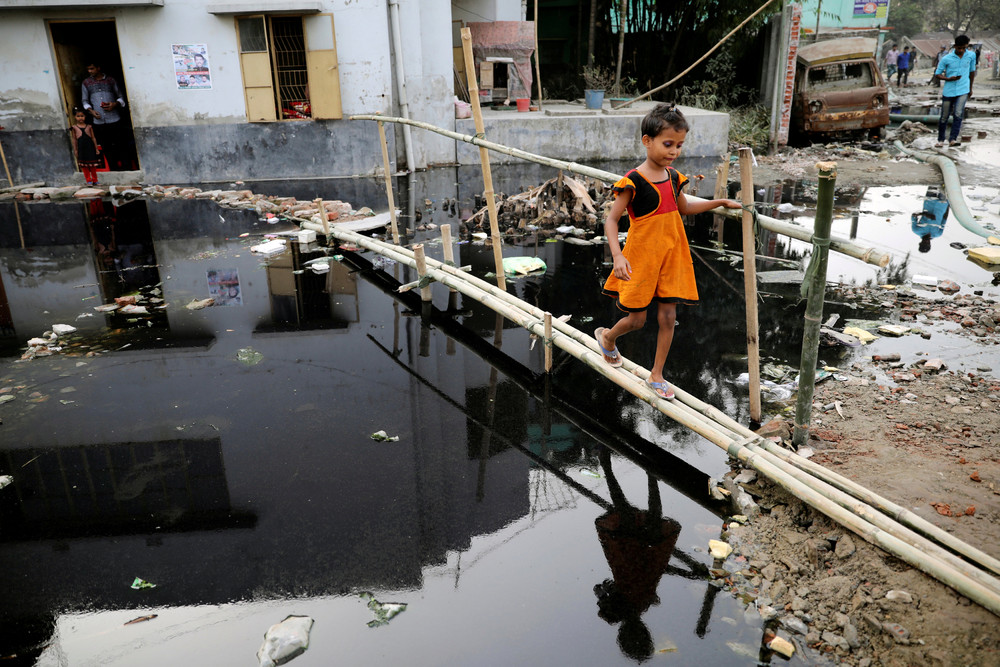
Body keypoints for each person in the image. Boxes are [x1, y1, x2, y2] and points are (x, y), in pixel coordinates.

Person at [595, 104, 741, 400]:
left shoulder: (674, 177)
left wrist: (720, 203)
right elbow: (611, 220)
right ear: (647, 141)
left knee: (667, 318)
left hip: (671, 257)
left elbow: (684, 207)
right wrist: (618, 256)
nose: (674, 151)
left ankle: (657, 374)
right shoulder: (633, 181)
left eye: (679, 145)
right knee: (637, 320)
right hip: (641, 258)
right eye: (667, 144)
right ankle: (608, 337)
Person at [81, 61, 127, 170]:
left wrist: (114, 104)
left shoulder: (110, 80)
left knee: (120, 145)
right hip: (99, 121)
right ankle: (114, 169)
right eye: (88, 69)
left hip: (115, 119)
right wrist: (91, 111)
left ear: (98, 68)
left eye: (92, 68)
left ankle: (126, 168)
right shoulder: (86, 83)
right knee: (106, 147)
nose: (90, 71)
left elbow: (121, 97)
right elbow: (84, 101)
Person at [935, 34, 977, 147]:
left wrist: (970, 89)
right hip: (949, 90)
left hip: (963, 88)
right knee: (944, 115)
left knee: (958, 114)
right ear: (955, 47)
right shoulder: (946, 58)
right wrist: (948, 78)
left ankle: (952, 139)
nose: (962, 50)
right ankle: (941, 139)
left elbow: (972, 72)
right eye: (959, 48)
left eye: (964, 48)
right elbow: (937, 74)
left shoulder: (971, 55)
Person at [69, 107, 102, 185]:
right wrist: (75, 150)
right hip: (81, 149)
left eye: (82, 116)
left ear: (85, 116)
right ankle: (88, 181)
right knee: (84, 166)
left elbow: (93, 138)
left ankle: (95, 180)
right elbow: (74, 139)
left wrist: (96, 148)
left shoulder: (89, 127)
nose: (80, 118)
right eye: (78, 116)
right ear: (75, 117)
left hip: (90, 148)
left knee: (93, 166)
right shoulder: (74, 128)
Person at [912, 187, 949, 253]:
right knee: (946, 185)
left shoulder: (916, 230)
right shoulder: (938, 233)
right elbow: (944, 219)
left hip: (929, 201)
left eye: (924, 243)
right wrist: (947, 205)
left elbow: (914, 216)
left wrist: (924, 214)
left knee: (934, 183)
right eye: (928, 243)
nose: (926, 241)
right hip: (942, 204)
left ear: (920, 243)